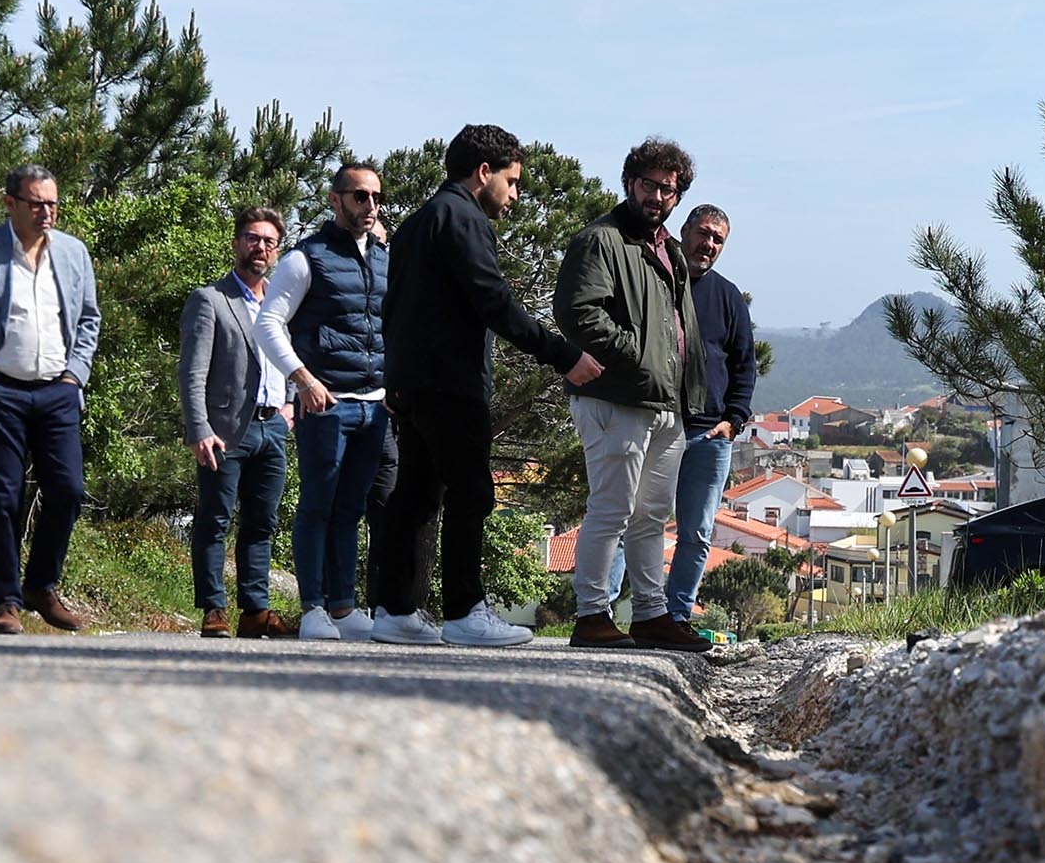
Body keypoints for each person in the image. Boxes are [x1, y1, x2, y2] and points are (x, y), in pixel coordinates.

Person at [373, 123, 603, 646]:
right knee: (471, 493)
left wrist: (397, 377)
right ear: (484, 172)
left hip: (412, 384)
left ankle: (395, 609)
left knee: (416, 496)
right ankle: (464, 611)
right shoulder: (463, 218)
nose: (515, 195)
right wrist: (564, 355)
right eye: (512, 181)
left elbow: (394, 309)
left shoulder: (415, 223)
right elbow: (494, 302)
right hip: (451, 384)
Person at [554, 138, 709, 652]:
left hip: (665, 404)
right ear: (629, 183)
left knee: (651, 517)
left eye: (669, 189)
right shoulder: (600, 240)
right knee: (611, 509)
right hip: (615, 397)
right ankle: (591, 615)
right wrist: (637, 356)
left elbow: (679, 327)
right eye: (649, 185)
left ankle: (651, 614)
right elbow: (577, 313)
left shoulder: (670, 250)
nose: (658, 196)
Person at [0, 163, 101, 635]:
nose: (46, 212)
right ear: (10, 203)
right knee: (4, 497)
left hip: (58, 390)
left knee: (68, 490)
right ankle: (6, 601)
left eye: (53, 204)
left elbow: (89, 318)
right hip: (0, 390)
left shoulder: (73, 252)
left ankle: (40, 587)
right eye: (36, 203)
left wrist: (75, 375)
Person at [255, 161, 395, 642]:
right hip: (326, 403)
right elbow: (268, 323)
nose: (370, 205)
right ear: (335, 200)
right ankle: (312, 607)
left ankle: (344, 607)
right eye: (360, 196)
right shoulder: (305, 258)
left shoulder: (385, 259)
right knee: (318, 504)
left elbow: (392, 326)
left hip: (375, 405)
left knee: (351, 509)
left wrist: (394, 386)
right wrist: (303, 380)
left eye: (376, 197)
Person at [604, 204, 756, 633]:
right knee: (629, 519)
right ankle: (605, 614)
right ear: (684, 231)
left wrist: (733, 421)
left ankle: (675, 617)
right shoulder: (656, 281)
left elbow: (744, 365)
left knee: (697, 533)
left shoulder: (729, 297)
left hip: (710, 435)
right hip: (655, 422)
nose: (708, 244)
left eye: (718, 239)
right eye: (703, 233)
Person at [179, 207, 296, 639]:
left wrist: (290, 407)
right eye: (252, 238)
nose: (260, 248)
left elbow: (293, 359)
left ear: (277, 250)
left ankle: (255, 611)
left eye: (268, 242)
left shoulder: (282, 306)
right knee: (215, 519)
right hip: (224, 431)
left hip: (273, 428)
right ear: (236, 244)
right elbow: (192, 372)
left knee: (262, 523)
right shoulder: (210, 299)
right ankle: (214, 609)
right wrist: (199, 429)